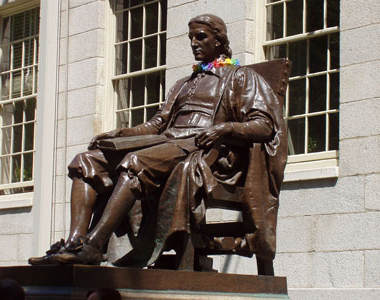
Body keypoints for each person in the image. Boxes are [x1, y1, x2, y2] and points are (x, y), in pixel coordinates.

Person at [29, 14, 286, 267]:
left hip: (201, 149)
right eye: (190, 38)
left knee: (135, 161)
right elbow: (157, 124)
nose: (193, 43)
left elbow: (264, 126)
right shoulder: (183, 84)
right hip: (166, 143)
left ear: (218, 41)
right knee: (86, 160)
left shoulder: (240, 77)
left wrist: (225, 128)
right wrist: (122, 133)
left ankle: (94, 246)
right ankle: (75, 243)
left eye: (201, 36)